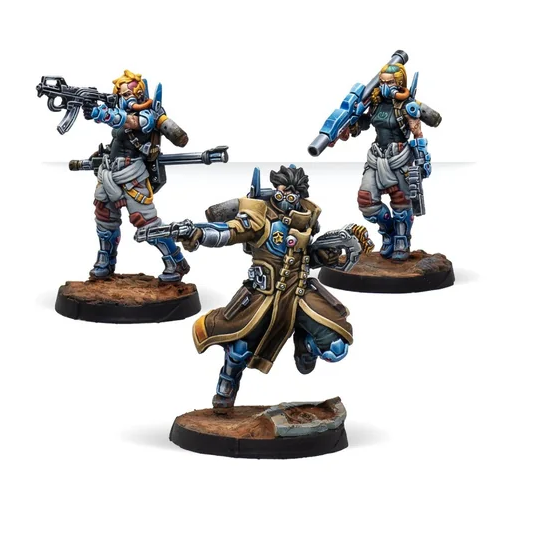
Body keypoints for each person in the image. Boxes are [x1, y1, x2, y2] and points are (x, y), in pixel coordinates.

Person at [180, 165, 354, 409]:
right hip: (263, 297)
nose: (286, 198)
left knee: (336, 348)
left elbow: (305, 257)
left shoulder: (307, 219)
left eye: (293, 194)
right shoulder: (259, 217)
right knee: (239, 348)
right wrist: (200, 233)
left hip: (299, 296)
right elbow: (229, 231)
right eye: (282, 192)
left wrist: (325, 257)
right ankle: (227, 383)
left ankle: (304, 345)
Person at [83, 70, 190, 281]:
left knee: (146, 223)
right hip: (109, 172)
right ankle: (106, 260)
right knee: (104, 218)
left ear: (139, 93)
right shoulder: (117, 110)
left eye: (128, 93)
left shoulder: (148, 115)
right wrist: (92, 111)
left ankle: (176, 261)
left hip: (132, 175)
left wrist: (102, 114)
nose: (125, 98)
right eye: (121, 94)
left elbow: (129, 122)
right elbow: (116, 124)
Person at [343, 62, 436, 262]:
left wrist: (422, 158)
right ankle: (389, 232)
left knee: (401, 203)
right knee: (367, 202)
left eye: (390, 82)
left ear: (399, 83)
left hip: (400, 157)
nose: (385, 86)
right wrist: (350, 124)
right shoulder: (375, 102)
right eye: (382, 82)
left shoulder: (407, 106)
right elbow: (364, 123)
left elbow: (421, 130)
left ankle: (402, 240)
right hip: (376, 156)